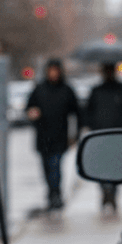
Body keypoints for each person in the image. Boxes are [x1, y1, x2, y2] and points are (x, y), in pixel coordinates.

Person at [25, 58, 80, 210]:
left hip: (60, 137)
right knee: (46, 168)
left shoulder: (67, 90)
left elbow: (76, 113)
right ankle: (51, 193)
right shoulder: (39, 89)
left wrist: (75, 135)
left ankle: (56, 195)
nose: (54, 73)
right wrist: (32, 114)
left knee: (55, 167)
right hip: (43, 137)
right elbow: (29, 108)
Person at [85, 62, 122, 209]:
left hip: (116, 135)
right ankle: (106, 191)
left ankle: (111, 192)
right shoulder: (96, 91)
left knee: (114, 166)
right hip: (101, 134)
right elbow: (89, 111)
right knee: (103, 166)